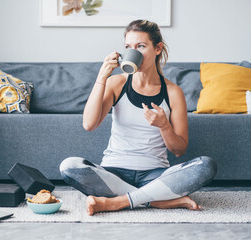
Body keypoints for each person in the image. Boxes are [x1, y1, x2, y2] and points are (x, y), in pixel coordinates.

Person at [59, 20, 217, 216]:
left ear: (157, 48)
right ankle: (158, 201)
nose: (133, 52)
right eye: (128, 47)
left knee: (206, 166)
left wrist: (164, 126)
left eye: (141, 46)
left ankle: (117, 202)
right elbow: (89, 124)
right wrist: (102, 76)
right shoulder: (116, 83)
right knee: (69, 166)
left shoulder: (173, 93)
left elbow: (179, 150)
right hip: (113, 173)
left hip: (154, 175)